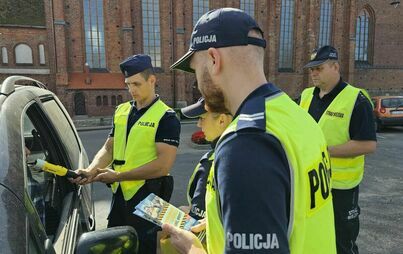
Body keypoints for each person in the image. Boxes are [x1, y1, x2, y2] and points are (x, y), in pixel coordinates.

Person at [163, 8, 337, 254]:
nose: (197, 84)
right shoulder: (296, 115)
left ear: (213, 59)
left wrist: (193, 249)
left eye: (196, 69)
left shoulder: (245, 142)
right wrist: (223, 222)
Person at [71, 54, 181, 254]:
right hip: (121, 194)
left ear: (152, 80)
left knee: (146, 248)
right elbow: (109, 148)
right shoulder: (121, 111)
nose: (131, 90)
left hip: (151, 195)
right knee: (117, 245)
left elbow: (163, 166)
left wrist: (119, 175)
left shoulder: (167, 117)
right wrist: (90, 170)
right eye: (128, 84)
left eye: (137, 84)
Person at [299, 45, 377, 254]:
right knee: (315, 239)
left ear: (335, 67)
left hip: (342, 188)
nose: (313, 73)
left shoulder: (356, 100)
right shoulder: (306, 96)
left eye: (319, 68)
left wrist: (325, 150)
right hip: (312, 185)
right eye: (311, 69)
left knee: (343, 243)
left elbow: (368, 144)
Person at [180, 98, 232, 221]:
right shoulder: (242, 152)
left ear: (222, 120)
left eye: (202, 118)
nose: (198, 124)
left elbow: (198, 219)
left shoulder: (213, 161)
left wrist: (184, 215)